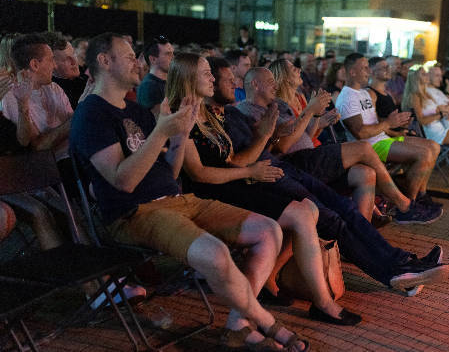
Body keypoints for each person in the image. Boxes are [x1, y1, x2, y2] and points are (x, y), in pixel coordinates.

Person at [70, 32, 310, 352]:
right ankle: (267, 324)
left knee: (268, 230)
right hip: (136, 213)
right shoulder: (92, 114)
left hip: (179, 200)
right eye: (129, 56)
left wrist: (180, 137)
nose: (137, 62)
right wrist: (161, 132)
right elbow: (123, 182)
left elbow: (167, 174)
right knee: (216, 253)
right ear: (104, 62)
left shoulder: (136, 111)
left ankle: (239, 325)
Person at [222, 67, 449, 296]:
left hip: (288, 169)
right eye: (269, 80)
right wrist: (288, 124)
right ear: (255, 85)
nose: (275, 83)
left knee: (354, 195)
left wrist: (311, 121)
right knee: (337, 213)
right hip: (281, 171)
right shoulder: (240, 113)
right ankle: (401, 235)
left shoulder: (275, 106)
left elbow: (288, 138)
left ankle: (404, 264)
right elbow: (270, 150)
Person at [171, 54, 361, 326]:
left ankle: (273, 285)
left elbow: (233, 160)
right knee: (300, 214)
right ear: (189, 78)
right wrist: (251, 171)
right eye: (207, 74)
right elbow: (199, 174)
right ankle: (322, 302)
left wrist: (265, 137)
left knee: (308, 207)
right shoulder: (184, 116)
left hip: (235, 183)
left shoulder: (210, 115)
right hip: (213, 193)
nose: (213, 79)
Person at [335, 53, 442, 222]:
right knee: (424, 154)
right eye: (364, 67)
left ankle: (420, 196)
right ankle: (408, 207)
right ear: (352, 72)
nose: (368, 71)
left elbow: (375, 122)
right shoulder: (347, 97)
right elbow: (360, 132)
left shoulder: (363, 93)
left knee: (433, 146)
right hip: (369, 147)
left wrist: (395, 127)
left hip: (382, 137)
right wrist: (389, 124)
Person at [1, 33, 78, 196]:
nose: (55, 66)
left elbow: (74, 128)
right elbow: (33, 146)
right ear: (35, 64)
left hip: (72, 156)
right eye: (51, 60)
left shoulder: (54, 89)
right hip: (49, 169)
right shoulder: (12, 96)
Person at [43, 32, 88, 110]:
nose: (74, 62)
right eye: (66, 59)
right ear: (51, 64)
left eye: (74, 54)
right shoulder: (51, 94)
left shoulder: (87, 81)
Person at [137, 35, 174, 114]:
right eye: (168, 54)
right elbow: (161, 121)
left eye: (172, 53)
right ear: (153, 59)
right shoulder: (149, 86)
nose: (173, 57)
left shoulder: (168, 82)